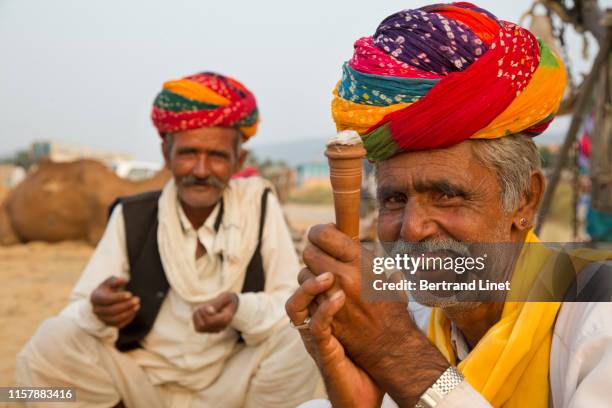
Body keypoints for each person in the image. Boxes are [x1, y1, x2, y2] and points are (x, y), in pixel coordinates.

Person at [286, 3, 612, 407]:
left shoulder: (597, 324)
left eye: (446, 195)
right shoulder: (421, 319)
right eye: (394, 199)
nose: (412, 229)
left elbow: (405, 360)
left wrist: (397, 356)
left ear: (525, 199)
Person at [17, 72, 318, 407]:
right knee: (51, 341)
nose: (201, 170)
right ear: (166, 153)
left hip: (231, 382)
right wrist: (97, 310)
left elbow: (288, 302)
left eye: (217, 156)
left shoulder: (259, 205)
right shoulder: (132, 215)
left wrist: (240, 309)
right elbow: (75, 314)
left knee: (301, 334)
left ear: (239, 160)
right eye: (188, 153)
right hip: (140, 382)